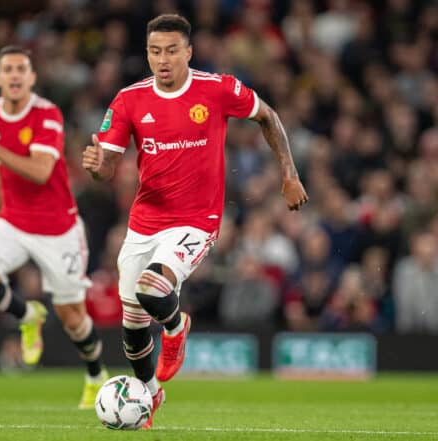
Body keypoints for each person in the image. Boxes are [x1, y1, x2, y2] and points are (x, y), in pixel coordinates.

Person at [82, 14, 308, 428]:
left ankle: (175, 324)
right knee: (131, 325)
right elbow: (107, 166)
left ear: (188, 51)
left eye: (171, 51)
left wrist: (289, 174)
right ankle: (149, 397)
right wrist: (97, 165)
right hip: (144, 220)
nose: (162, 60)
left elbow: (268, 116)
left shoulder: (217, 88)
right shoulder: (129, 99)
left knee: (154, 288)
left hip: (196, 219)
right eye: (154, 51)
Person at [0, 45, 107, 408]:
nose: (14, 75)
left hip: (57, 227)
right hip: (12, 219)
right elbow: (0, 165)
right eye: (7, 69)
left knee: (73, 319)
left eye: (21, 69)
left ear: (31, 78)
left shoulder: (48, 114)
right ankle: (28, 314)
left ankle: (95, 375)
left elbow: (42, 171)